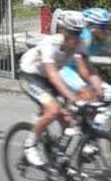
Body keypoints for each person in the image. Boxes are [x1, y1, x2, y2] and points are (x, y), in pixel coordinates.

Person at [17, 11, 102, 166]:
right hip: (29, 76)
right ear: (64, 32)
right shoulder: (51, 44)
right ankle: (30, 145)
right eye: (72, 34)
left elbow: (87, 69)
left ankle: (59, 155)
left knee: (71, 118)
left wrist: (98, 90)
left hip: (47, 79)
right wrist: (71, 97)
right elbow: (53, 75)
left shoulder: (80, 44)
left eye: (79, 34)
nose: (76, 39)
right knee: (53, 109)